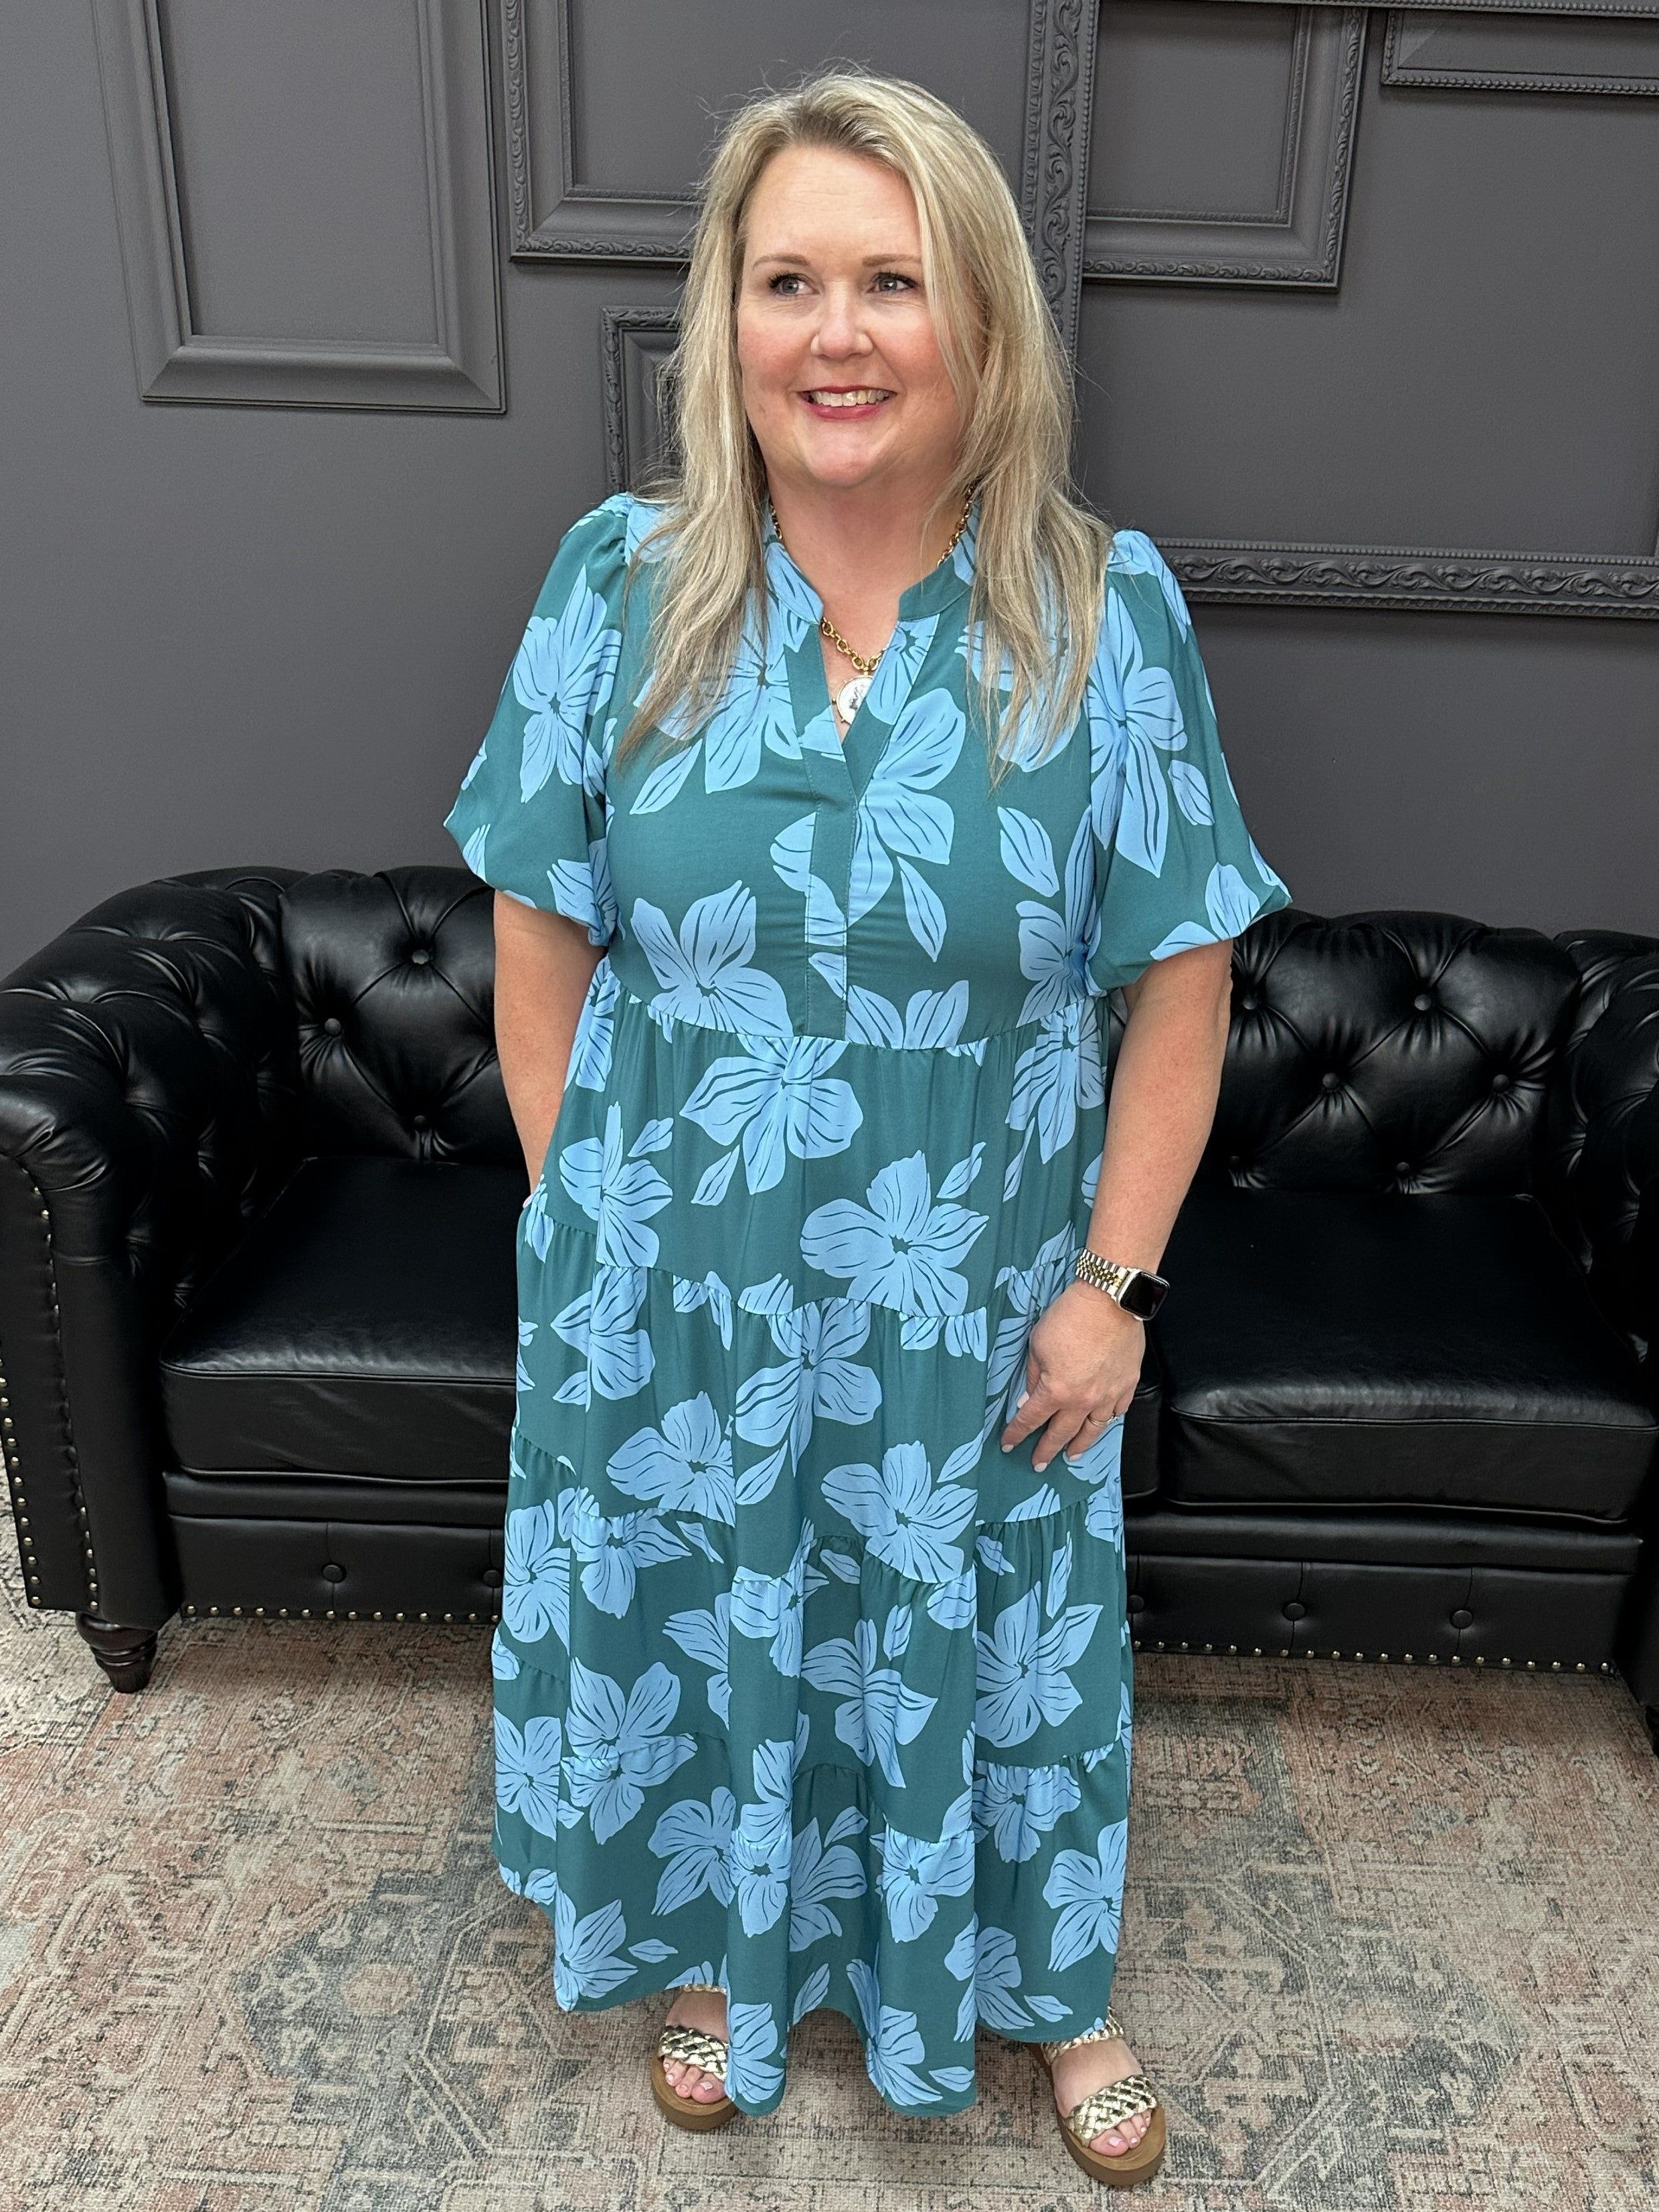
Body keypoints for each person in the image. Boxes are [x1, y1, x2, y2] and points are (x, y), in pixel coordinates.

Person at [444, 68, 1288, 2191]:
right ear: (723, 319)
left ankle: (1053, 1986)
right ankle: (723, 1958)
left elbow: (1179, 990)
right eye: (790, 278)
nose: (838, 333)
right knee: (712, 1611)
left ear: (979, 324)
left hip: (973, 1303)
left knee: (994, 1647)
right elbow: (536, 937)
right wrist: (587, 1223)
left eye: (892, 281)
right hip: (679, 1291)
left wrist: (1112, 1291)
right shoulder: (618, 587)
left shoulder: (1103, 613)